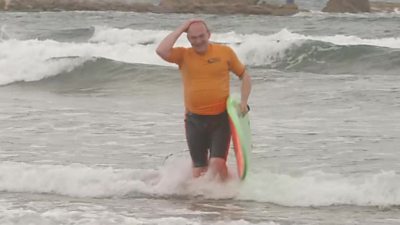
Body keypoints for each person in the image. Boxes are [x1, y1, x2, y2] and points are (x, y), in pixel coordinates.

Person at [156, 19, 251, 180]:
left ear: (209, 34)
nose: (198, 41)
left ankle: (228, 194)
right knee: (199, 171)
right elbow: (161, 51)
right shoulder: (183, 55)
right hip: (194, 121)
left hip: (220, 120)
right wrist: (181, 28)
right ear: (188, 38)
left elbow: (245, 76)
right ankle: (204, 202)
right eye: (193, 37)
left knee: (217, 163)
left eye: (201, 36)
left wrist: (243, 102)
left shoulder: (224, 52)